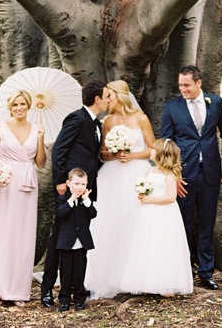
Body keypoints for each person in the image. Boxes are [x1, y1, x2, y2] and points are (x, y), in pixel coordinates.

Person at [84, 79, 156, 298]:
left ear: (120, 96)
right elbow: (102, 152)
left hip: (138, 174)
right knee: (110, 221)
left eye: (110, 96)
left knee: (137, 221)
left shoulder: (140, 118)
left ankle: (136, 275)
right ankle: (107, 275)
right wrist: (115, 154)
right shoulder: (107, 121)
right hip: (112, 176)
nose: (107, 100)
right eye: (106, 97)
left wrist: (132, 154)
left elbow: (153, 148)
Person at [159, 65, 222, 289]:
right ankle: (184, 269)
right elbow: (166, 144)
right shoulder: (172, 107)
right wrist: (173, 175)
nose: (183, 89)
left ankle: (206, 273)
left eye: (187, 85)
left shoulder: (215, 102)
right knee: (184, 223)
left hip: (211, 171)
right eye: (180, 85)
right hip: (184, 175)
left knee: (207, 222)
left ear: (199, 83)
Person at [40, 78, 108, 309]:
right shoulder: (76, 118)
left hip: (85, 189)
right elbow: (60, 149)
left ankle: (76, 287)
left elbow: (91, 156)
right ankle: (48, 288)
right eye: (107, 96)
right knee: (58, 240)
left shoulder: (96, 123)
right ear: (97, 99)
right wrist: (60, 181)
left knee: (79, 236)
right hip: (68, 187)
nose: (109, 100)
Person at [0, 90, 46, 305]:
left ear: (28, 106)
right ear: (10, 107)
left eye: (22, 104)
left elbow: (40, 163)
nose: (19, 108)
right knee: (5, 234)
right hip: (4, 186)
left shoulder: (36, 129)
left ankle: (20, 292)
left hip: (27, 185)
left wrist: (40, 139)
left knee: (24, 236)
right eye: (15, 105)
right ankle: (3, 289)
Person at [119, 138, 194, 296]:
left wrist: (150, 200)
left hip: (165, 213)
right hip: (148, 213)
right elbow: (148, 189)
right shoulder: (150, 171)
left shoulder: (169, 175)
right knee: (148, 245)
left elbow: (171, 197)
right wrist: (142, 194)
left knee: (164, 245)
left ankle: (166, 285)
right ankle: (148, 282)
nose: (150, 150)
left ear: (160, 154)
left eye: (153, 149)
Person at [55, 167, 98, 312]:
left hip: (81, 242)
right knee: (66, 273)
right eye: (77, 184)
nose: (80, 187)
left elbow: (93, 214)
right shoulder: (62, 199)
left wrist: (86, 200)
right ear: (68, 183)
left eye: (83, 184)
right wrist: (72, 198)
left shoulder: (86, 201)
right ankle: (64, 299)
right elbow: (61, 214)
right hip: (66, 242)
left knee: (80, 272)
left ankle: (80, 298)